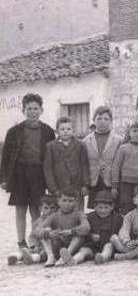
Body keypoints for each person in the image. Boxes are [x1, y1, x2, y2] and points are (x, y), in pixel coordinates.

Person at [1, 93, 56, 250]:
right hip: (19, 174)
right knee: (20, 209)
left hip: (38, 175)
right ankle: (21, 242)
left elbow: (51, 157)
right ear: (23, 110)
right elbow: (5, 157)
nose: (32, 112)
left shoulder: (48, 131)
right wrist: (4, 179)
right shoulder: (14, 131)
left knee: (36, 210)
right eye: (29, 108)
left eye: (36, 108)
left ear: (41, 110)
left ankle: (35, 241)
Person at [43, 117, 90, 206]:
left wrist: (85, 185)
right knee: (58, 213)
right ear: (57, 131)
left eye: (68, 129)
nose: (65, 131)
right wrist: (53, 188)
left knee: (77, 212)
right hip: (59, 187)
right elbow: (48, 169)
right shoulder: (50, 146)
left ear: (73, 131)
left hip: (76, 187)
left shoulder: (80, 145)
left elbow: (84, 166)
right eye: (62, 129)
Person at [37, 189, 90, 266]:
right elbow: (38, 229)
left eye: (70, 201)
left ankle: (66, 257)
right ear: (58, 202)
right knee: (46, 230)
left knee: (79, 235)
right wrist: (49, 234)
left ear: (76, 202)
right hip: (59, 244)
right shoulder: (54, 216)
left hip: (74, 246)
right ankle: (50, 256)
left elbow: (87, 227)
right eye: (64, 200)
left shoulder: (79, 214)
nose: (67, 204)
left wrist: (72, 231)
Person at [68, 190, 123, 265]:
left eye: (106, 207)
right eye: (100, 207)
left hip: (109, 244)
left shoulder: (118, 218)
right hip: (93, 247)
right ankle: (74, 260)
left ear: (112, 207)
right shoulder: (89, 217)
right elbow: (85, 232)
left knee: (108, 247)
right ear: (95, 207)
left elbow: (119, 234)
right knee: (83, 250)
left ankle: (102, 258)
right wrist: (90, 236)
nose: (103, 211)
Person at [83, 106, 123, 208]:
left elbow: (119, 164)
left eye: (106, 119)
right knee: (96, 209)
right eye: (99, 119)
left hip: (110, 181)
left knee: (111, 208)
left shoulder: (118, 140)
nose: (102, 122)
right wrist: (85, 184)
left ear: (111, 121)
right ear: (93, 120)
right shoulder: (86, 141)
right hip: (94, 181)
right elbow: (84, 164)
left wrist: (116, 185)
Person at [111, 120, 138, 214]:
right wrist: (114, 185)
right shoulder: (123, 148)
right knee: (126, 206)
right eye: (134, 131)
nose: (137, 134)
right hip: (126, 184)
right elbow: (116, 167)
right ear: (129, 133)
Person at [10, 194, 57, 266]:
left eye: (52, 208)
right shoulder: (38, 222)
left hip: (49, 246)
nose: (49, 210)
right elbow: (32, 236)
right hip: (38, 245)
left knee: (43, 254)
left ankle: (33, 258)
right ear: (41, 208)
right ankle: (17, 257)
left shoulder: (56, 220)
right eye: (46, 208)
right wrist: (33, 245)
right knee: (31, 250)